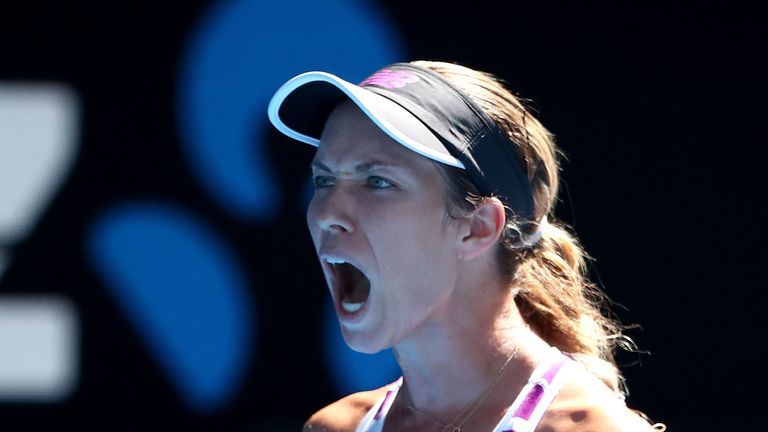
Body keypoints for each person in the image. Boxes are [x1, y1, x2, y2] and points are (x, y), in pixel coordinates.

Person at [268, 61, 664, 431]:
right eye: (323, 181)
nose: (325, 214)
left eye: (378, 182)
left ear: (478, 226)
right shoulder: (335, 426)